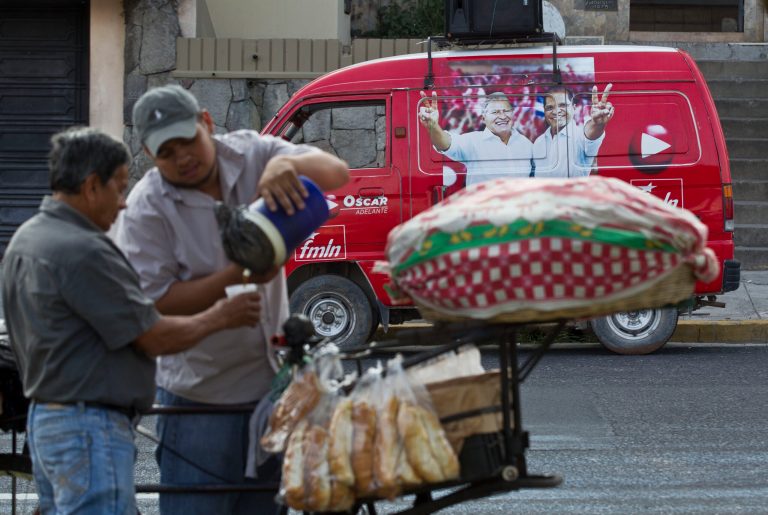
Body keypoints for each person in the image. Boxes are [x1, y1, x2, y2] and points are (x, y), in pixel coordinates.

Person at [110, 84, 349, 514]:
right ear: (149, 154)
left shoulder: (248, 153)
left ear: (207, 122)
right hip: (200, 400)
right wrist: (236, 275)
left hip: (271, 394)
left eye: (189, 141)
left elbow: (336, 172)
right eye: (167, 152)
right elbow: (157, 299)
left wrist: (284, 162)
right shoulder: (148, 207)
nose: (183, 158)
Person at [1, 127, 263, 515]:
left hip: (50, 422)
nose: (124, 204)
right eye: (119, 188)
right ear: (92, 187)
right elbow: (153, 337)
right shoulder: (84, 251)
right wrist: (220, 316)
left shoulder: (27, 238)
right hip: (88, 429)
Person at [418, 90, 533, 186]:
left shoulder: (527, 144)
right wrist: (433, 126)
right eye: (495, 112)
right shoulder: (473, 141)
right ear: (483, 118)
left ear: (513, 114)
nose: (502, 116)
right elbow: (445, 144)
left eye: (506, 111)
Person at [532, 84, 615, 178]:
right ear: (544, 110)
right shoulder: (538, 142)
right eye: (550, 107)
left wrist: (597, 124)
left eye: (563, 105)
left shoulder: (580, 137)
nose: (556, 111)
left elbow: (591, 134)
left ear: (574, 107)